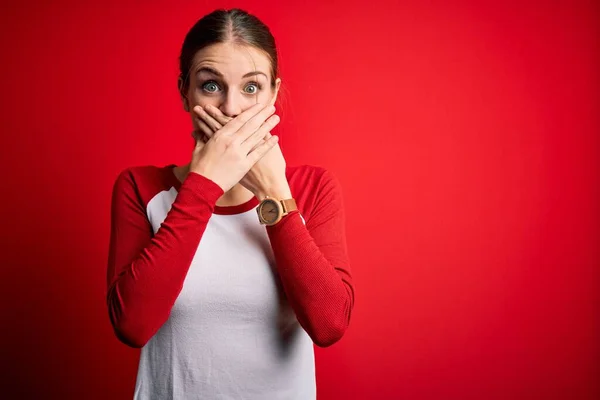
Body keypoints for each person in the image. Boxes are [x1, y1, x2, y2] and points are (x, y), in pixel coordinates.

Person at [106, 8, 355, 400]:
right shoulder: (141, 189)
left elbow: (329, 325)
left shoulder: (312, 188)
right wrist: (204, 184)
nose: (232, 108)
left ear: (274, 93)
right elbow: (132, 326)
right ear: (185, 92)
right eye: (211, 86)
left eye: (251, 88)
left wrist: (274, 192)